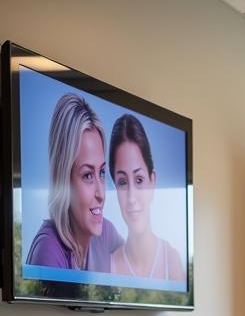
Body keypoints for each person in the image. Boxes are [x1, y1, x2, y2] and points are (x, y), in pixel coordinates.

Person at [26, 93, 123, 271]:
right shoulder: (48, 252)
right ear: (64, 181)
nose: (101, 193)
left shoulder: (106, 234)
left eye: (101, 172)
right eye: (87, 175)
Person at [107, 114, 185, 282]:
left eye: (139, 180)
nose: (131, 198)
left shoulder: (172, 261)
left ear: (153, 180)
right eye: (122, 182)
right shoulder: (109, 267)